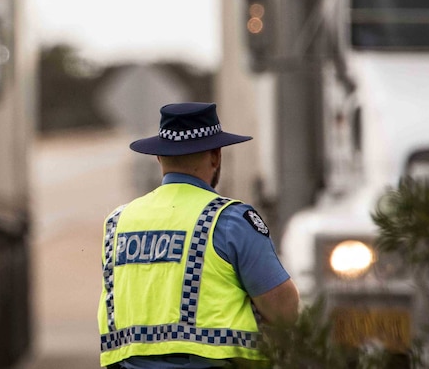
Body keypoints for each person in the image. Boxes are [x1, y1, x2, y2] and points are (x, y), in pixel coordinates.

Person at [98, 102, 299, 368]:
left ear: (159, 157)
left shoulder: (118, 222)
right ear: (215, 157)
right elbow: (283, 310)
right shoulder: (229, 220)